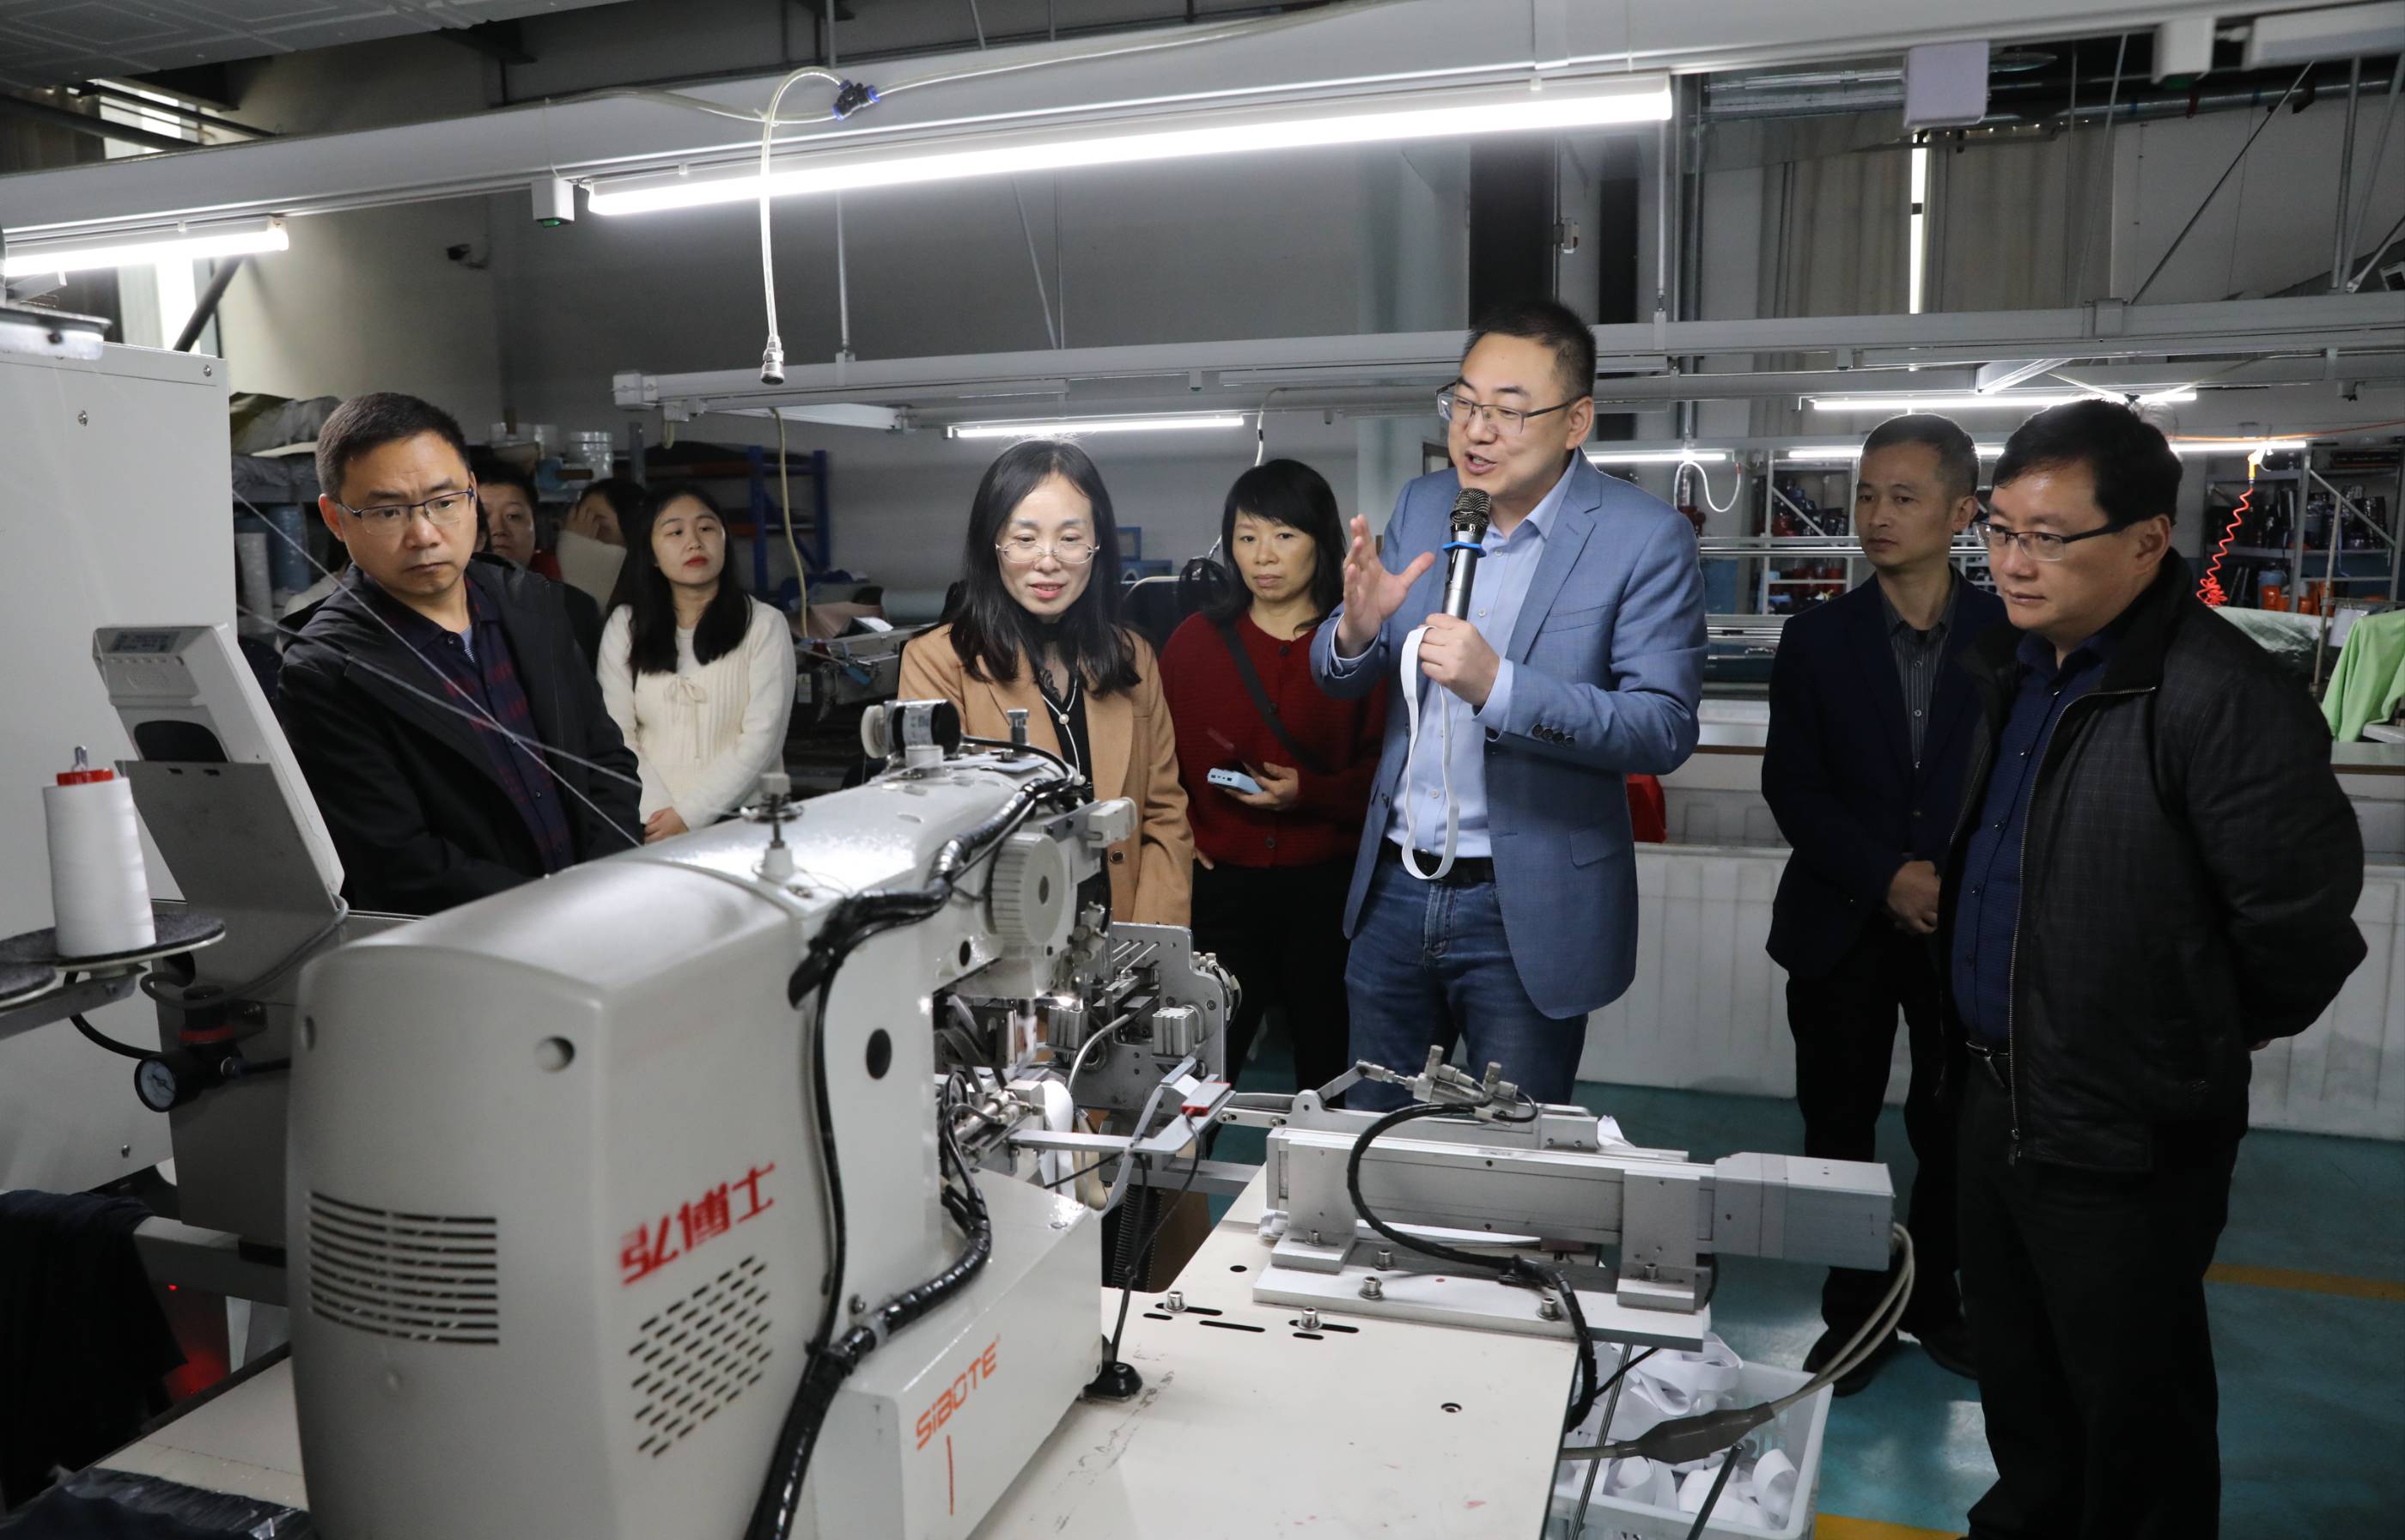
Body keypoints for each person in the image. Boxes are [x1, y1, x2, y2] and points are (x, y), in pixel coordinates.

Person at [1942, 400, 2365, 1540]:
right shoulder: (2017, 669)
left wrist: (2180, 1035)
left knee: (2134, 1413)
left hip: (2126, 1124)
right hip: (1994, 1095)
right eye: (1999, 530)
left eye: (2048, 537)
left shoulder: (2221, 697)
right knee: (2021, 1387)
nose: (2013, 562)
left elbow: (2299, 927)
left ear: (2144, 541)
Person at [1312, 299, 1706, 1108]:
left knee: (1511, 1158)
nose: (1476, 430)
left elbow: (1662, 725)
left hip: (1526, 904)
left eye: (1509, 410)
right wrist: (1356, 630)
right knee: (1368, 1134)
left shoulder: (1642, 536)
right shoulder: (1425, 505)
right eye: (1464, 403)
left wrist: (1501, 687)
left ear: (1576, 421)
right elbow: (1340, 673)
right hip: (1394, 885)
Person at [1761, 413, 2003, 1394]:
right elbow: (1792, 785)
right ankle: (1852, 1315)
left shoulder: (2010, 638)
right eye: (1866, 494)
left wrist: (1946, 878)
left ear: (1962, 511)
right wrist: (1887, 873)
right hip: (1839, 924)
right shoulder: (1815, 639)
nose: (1876, 514)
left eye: (1904, 496)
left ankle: (1935, 1299)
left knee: (1953, 1127)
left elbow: (2018, 786)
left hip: (1961, 928)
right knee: (1837, 1126)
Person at [277, 393, 641, 915]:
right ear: (336, 519)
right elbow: (398, 861)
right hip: (469, 942)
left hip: (596, 914)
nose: (424, 535)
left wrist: (604, 883)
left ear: (471, 494)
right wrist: (553, 909)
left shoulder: (531, 603)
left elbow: (605, 761)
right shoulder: (326, 669)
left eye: (444, 502)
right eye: (387, 511)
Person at [1160, 460, 1386, 1093]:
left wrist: (1309, 795)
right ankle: (1184, 1164)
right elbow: (1152, 758)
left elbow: (1386, 774)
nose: (1263, 556)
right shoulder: (1193, 644)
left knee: (1329, 1069)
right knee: (1201, 1072)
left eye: (1285, 535)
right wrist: (1180, 830)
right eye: (1247, 536)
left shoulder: (1359, 644)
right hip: (1223, 892)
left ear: (1321, 540)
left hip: (1329, 891)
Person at [898, 440, 1191, 926]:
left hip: (1126, 937)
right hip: (1010, 939)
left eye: (1070, 538)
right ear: (992, 543)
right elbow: (938, 836)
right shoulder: (937, 663)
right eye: (1025, 538)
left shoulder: (1132, 657)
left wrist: (1147, 944)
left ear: (1098, 545)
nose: (1048, 560)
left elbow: (1164, 815)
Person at [596, 484, 796, 843]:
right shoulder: (626, 625)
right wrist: (659, 817)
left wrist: (690, 816)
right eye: (675, 532)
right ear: (652, 554)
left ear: (724, 540)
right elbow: (616, 734)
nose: (694, 542)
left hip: (746, 822)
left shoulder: (765, 624)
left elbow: (763, 739)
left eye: (706, 528)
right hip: (652, 823)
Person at [476, 460, 603, 663]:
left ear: (535, 525)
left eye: (513, 516)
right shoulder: (444, 612)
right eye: (483, 517)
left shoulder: (573, 607)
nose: (498, 529)